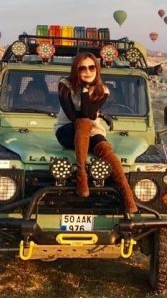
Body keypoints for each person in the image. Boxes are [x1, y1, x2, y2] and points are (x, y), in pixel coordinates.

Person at [54, 52, 138, 214]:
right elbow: (73, 116)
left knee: (106, 149)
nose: (87, 71)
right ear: (76, 70)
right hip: (66, 131)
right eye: (82, 68)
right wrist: (84, 89)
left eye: (91, 67)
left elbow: (90, 114)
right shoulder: (64, 85)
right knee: (83, 123)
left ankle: (128, 197)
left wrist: (85, 90)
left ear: (97, 69)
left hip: (90, 130)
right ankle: (82, 175)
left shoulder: (103, 91)